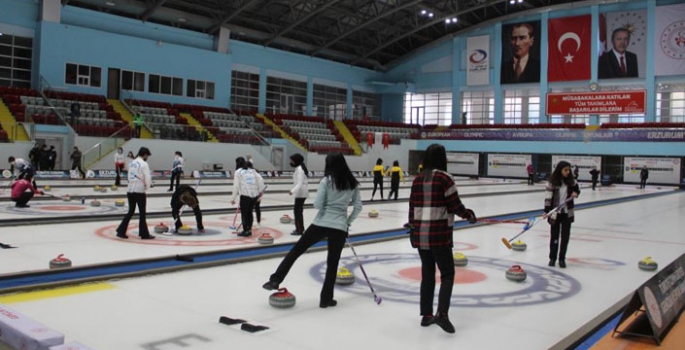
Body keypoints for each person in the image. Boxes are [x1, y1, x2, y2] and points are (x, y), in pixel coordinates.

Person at [262, 153, 363, 309]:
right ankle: (326, 300)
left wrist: (327, 208)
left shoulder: (326, 181)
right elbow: (358, 207)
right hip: (339, 227)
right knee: (332, 264)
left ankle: (275, 279)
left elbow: (317, 204)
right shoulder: (353, 183)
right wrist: (346, 222)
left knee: (296, 250)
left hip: (320, 223)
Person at [408, 144, 477, 334]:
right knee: (447, 274)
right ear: (442, 159)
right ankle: (443, 315)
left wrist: (412, 228)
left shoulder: (418, 179)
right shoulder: (445, 178)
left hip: (421, 236)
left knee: (427, 275)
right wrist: (468, 215)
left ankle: (426, 315)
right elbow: (455, 205)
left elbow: (412, 208)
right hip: (439, 235)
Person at [545, 161, 580, 269]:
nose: (568, 172)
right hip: (555, 213)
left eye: (569, 170)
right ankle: (552, 258)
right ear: (560, 170)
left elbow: (577, 190)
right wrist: (546, 211)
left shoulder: (572, 181)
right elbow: (548, 197)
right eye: (565, 170)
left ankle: (561, 259)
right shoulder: (553, 182)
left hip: (567, 213)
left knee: (565, 237)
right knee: (554, 237)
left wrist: (576, 193)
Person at [116, 147, 155, 240]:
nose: (147, 157)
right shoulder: (144, 164)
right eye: (147, 156)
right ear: (145, 155)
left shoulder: (132, 163)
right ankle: (144, 234)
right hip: (139, 191)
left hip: (130, 190)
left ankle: (121, 231)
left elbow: (129, 176)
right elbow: (147, 177)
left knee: (131, 211)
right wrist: (148, 186)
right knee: (142, 213)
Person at [231, 157, 265, 237]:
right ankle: (249, 229)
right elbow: (260, 181)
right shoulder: (253, 171)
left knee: (245, 214)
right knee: (249, 212)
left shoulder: (238, 172)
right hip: (254, 196)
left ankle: (246, 230)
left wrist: (233, 198)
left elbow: (236, 186)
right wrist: (260, 192)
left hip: (245, 196)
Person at [289, 153, 309, 236]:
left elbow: (300, 183)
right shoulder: (299, 168)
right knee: (298, 211)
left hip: (301, 193)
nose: (291, 162)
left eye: (292, 160)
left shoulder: (300, 169)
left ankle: (299, 230)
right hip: (301, 192)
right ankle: (300, 228)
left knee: (297, 211)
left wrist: (292, 191)